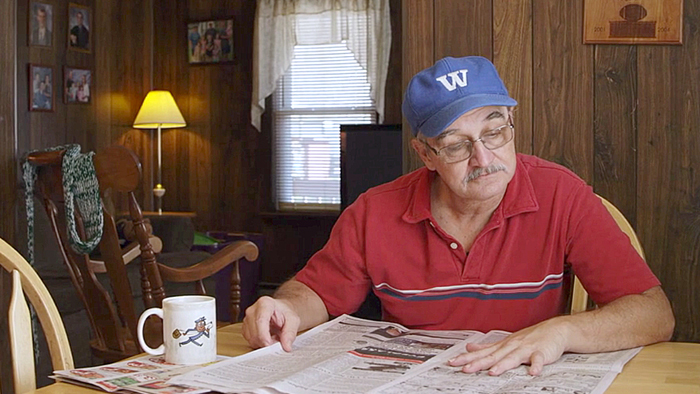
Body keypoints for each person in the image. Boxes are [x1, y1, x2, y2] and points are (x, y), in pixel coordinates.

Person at [242, 56, 675, 376]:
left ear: (512, 123)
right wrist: (284, 308)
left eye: (494, 130)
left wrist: (560, 332)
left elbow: (653, 314)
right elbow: (314, 293)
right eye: (455, 144)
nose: (483, 158)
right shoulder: (374, 211)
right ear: (425, 154)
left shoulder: (563, 194)